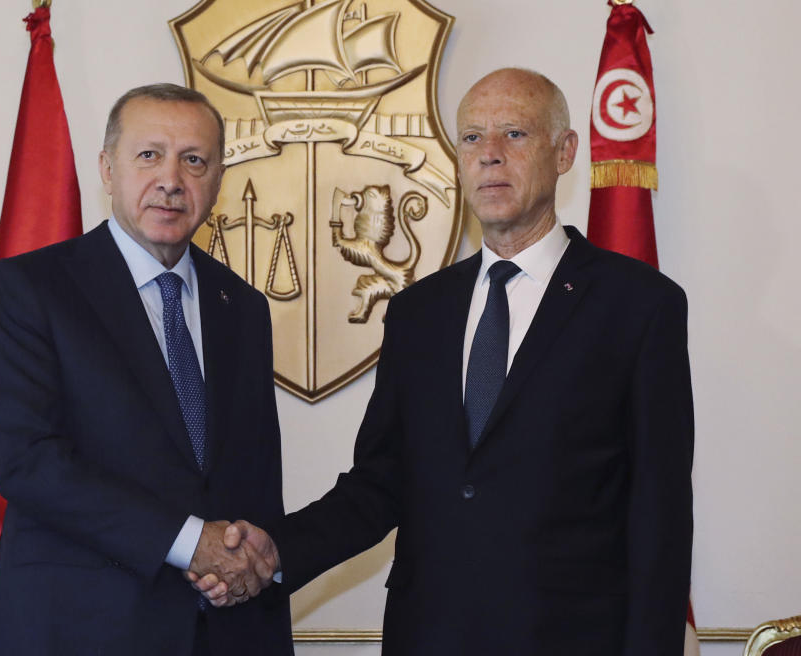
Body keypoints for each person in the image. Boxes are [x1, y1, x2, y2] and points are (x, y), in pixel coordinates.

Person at [197, 68, 694, 654]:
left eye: (514, 134)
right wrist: (275, 551)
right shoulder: (418, 312)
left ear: (564, 153)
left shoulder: (638, 305)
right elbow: (381, 482)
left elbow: (659, 512)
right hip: (429, 636)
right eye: (472, 138)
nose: (490, 156)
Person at [0, 84, 292, 656]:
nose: (171, 179)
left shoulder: (242, 307)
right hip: (82, 630)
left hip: (228, 632)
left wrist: (254, 566)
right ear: (106, 168)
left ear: (218, 178)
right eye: (149, 155)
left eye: (193, 160)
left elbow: (253, 475)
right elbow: (29, 463)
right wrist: (189, 541)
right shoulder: (34, 288)